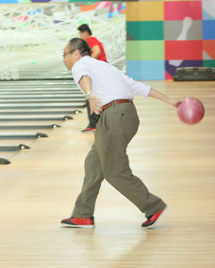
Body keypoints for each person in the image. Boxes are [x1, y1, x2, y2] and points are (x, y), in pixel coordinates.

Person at [61, 38, 181, 229]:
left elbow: (83, 76)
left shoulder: (81, 64)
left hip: (114, 116)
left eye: (65, 54)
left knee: (115, 171)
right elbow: (138, 87)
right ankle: (82, 214)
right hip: (126, 115)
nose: (64, 59)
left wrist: (89, 95)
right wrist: (170, 101)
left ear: (76, 53)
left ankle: (153, 206)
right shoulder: (105, 67)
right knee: (93, 163)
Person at [77, 24, 107, 132]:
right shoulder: (93, 39)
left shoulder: (90, 39)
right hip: (101, 70)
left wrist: (87, 63)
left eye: (80, 33)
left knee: (91, 95)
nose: (80, 36)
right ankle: (98, 123)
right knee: (95, 95)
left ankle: (93, 124)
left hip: (98, 71)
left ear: (85, 32)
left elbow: (97, 51)